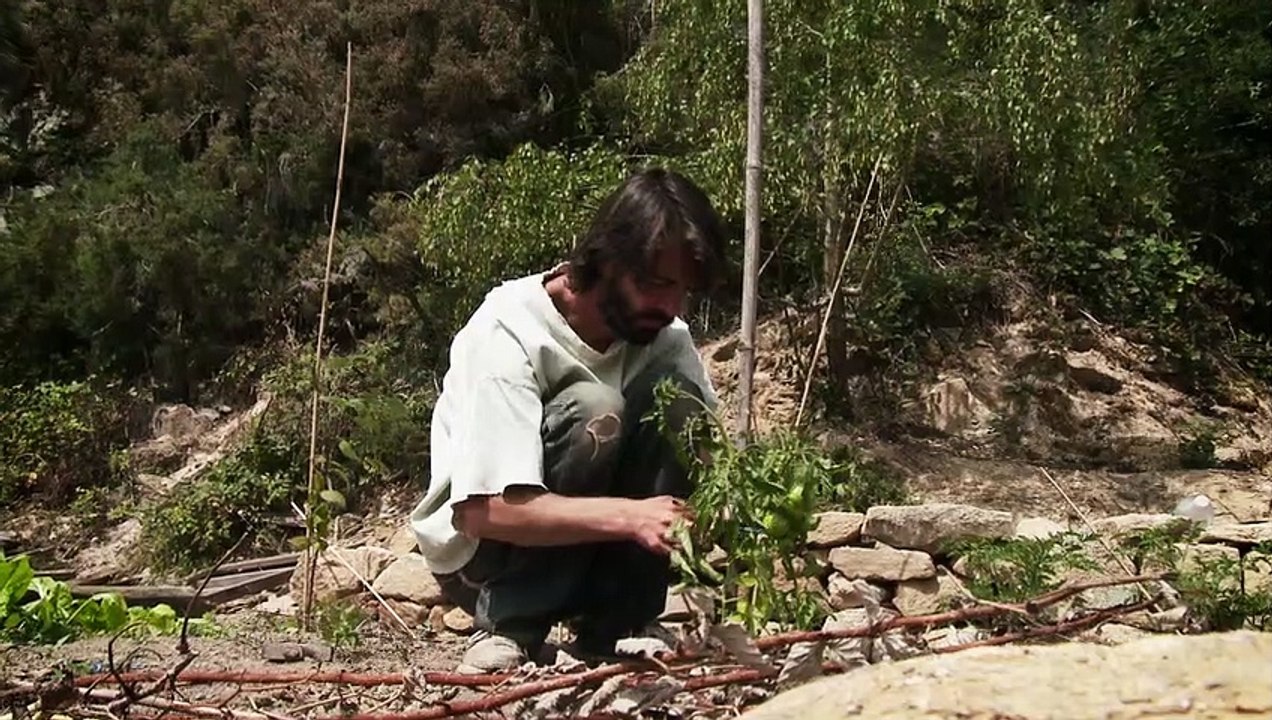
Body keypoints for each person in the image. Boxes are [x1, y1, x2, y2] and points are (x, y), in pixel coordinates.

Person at [408, 167, 729, 673]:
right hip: (484, 558)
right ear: (606, 262)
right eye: (656, 284)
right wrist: (632, 516)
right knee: (595, 409)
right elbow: (482, 511)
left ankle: (619, 627)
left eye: (683, 290)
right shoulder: (509, 328)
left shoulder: (666, 339)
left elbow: (716, 465)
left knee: (680, 408)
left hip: (589, 548)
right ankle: (511, 626)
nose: (670, 306)